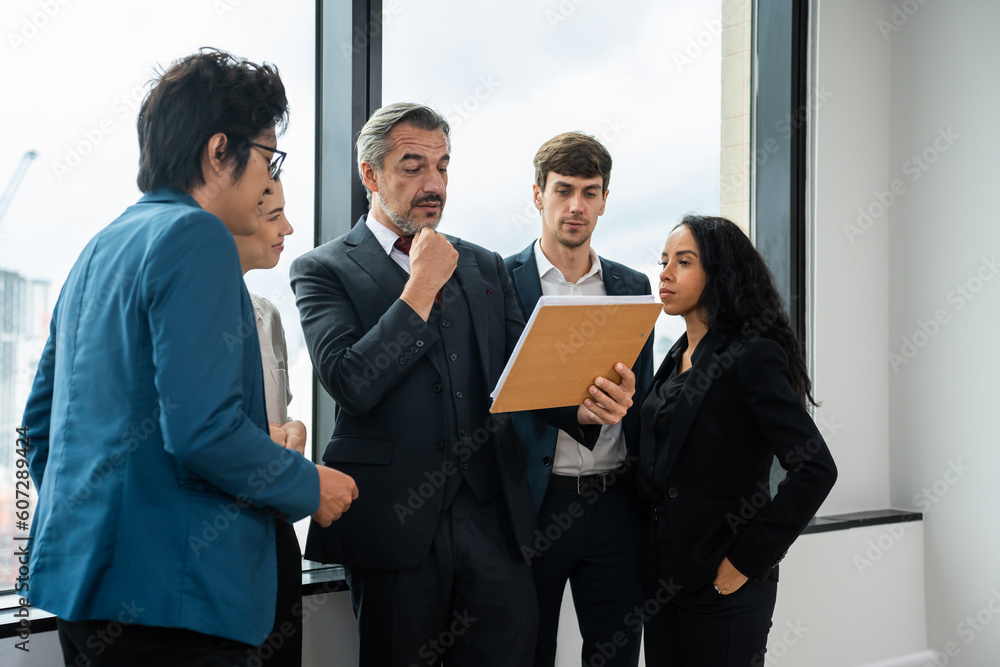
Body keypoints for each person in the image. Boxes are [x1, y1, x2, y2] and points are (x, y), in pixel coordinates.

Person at [20, 49, 357, 667]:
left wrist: (100, 525)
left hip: (82, 590)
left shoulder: (101, 245)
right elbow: (202, 428)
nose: (268, 182)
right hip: (176, 604)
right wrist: (309, 486)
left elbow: (40, 426)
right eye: (269, 158)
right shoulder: (194, 235)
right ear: (218, 151)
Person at [290, 102, 637, 666]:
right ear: (370, 175)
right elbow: (352, 383)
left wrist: (586, 410)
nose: (434, 183)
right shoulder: (322, 268)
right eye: (413, 167)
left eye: (443, 167)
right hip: (393, 524)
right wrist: (421, 284)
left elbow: (522, 377)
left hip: (493, 522)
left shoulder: (482, 265)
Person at [634, 215, 838, 665]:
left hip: (725, 579)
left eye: (683, 262)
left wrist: (749, 559)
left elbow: (816, 467)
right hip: (663, 580)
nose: (665, 273)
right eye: (664, 261)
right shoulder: (675, 355)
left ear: (719, 273)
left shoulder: (752, 354)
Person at [504, 131, 653, 667]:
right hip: (534, 505)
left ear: (605, 200)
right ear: (538, 194)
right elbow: (492, 398)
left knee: (615, 657)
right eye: (563, 190)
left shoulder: (632, 285)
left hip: (616, 503)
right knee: (529, 653)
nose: (576, 206)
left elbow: (643, 402)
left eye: (590, 193)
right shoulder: (500, 283)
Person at [234, 172, 307, 666]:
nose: (290, 228)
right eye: (274, 215)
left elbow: (280, 415)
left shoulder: (266, 314)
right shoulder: (184, 309)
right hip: (223, 535)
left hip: (275, 533)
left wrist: (294, 432)